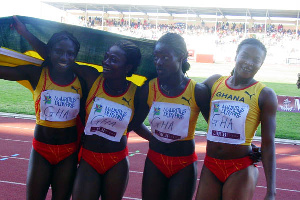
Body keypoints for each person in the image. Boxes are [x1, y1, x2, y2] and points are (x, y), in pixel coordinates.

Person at [13, 16, 151, 199]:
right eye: (106, 57)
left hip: (116, 159)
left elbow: (134, 122)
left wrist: (154, 139)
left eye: (114, 59)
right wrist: (25, 33)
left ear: (128, 67)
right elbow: (57, 58)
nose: (106, 62)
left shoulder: (137, 92)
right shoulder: (92, 77)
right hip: (88, 158)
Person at [0, 30, 83, 199]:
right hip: (41, 151)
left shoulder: (82, 79)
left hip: (68, 152)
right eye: (58, 51)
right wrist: (22, 31)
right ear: (49, 51)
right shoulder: (37, 73)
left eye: (70, 53)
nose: (64, 58)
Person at [131, 32, 210, 200]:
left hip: (184, 164)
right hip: (155, 161)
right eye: (156, 57)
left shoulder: (198, 91)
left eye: (165, 58)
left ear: (181, 57)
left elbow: (217, 128)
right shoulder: (149, 89)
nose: (158, 63)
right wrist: (153, 138)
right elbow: (134, 123)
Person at [195, 38, 277, 200]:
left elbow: (269, 143)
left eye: (256, 60)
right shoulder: (215, 82)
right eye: (245, 56)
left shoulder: (265, 94)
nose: (248, 62)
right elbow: (193, 96)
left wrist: (271, 192)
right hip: (211, 165)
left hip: (239, 167)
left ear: (261, 64)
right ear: (236, 55)